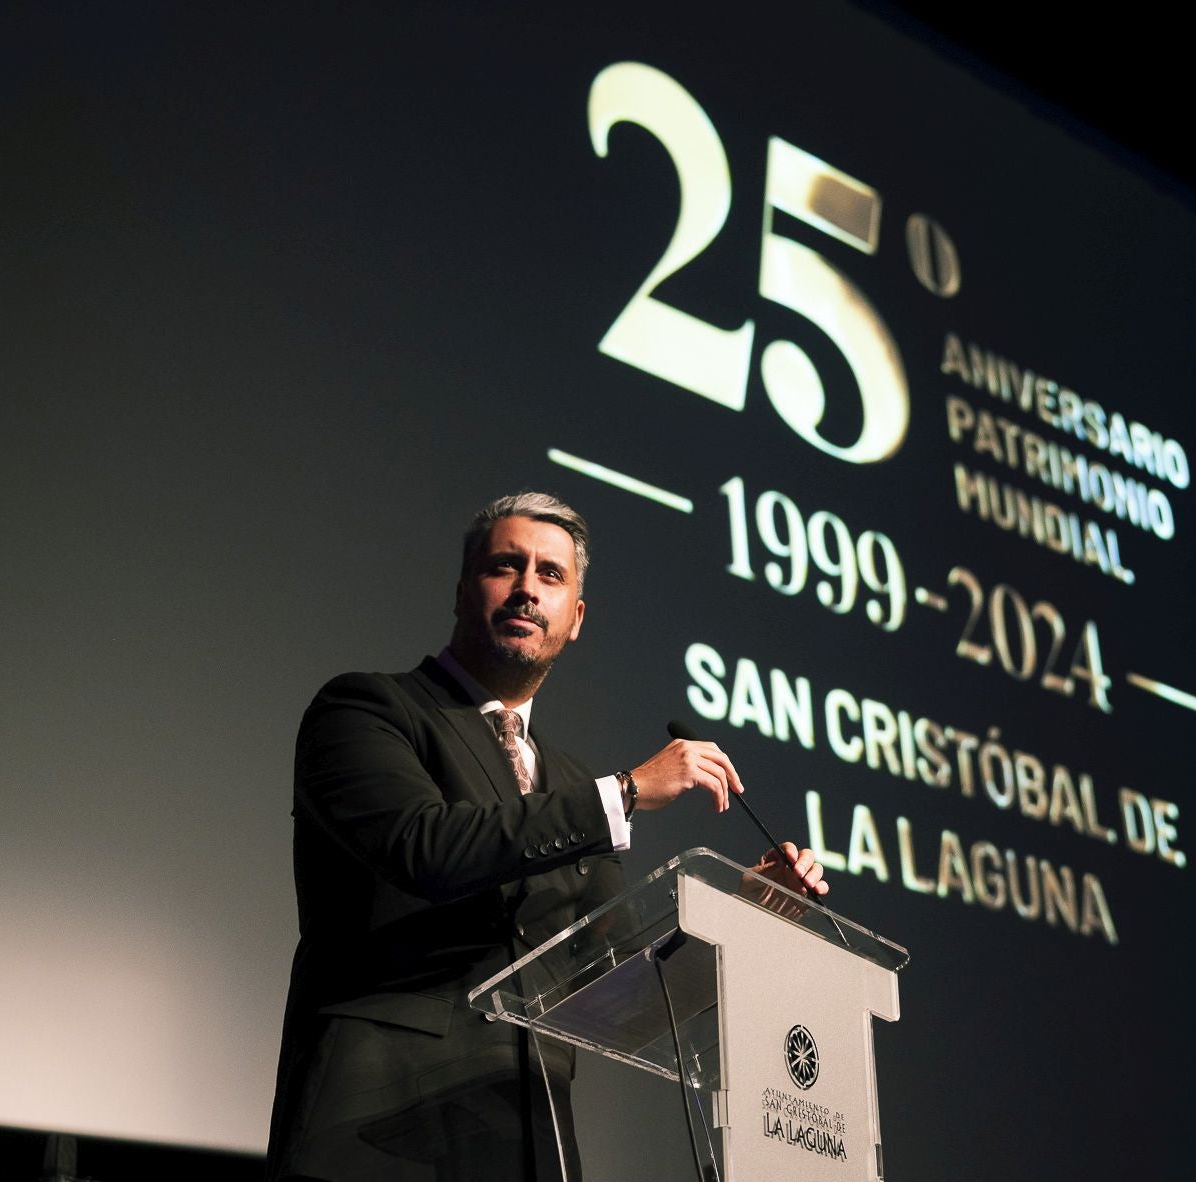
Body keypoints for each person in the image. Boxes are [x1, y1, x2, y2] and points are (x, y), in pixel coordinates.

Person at [265, 491, 826, 1182]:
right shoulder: (368, 709)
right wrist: (624, 792)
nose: (527, 588)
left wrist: (741, 910)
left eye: (551, 574)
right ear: (463, 591)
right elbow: (425, 848)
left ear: (575, 618)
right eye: (506, 565)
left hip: (527, 1138)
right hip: (372, 1130)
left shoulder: (568, 780)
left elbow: (618, 981)